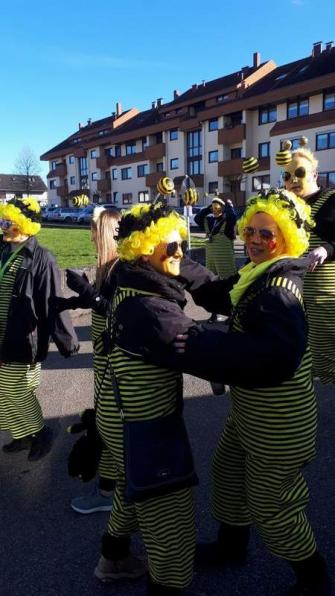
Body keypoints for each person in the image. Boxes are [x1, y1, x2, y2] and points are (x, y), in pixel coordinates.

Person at [115, 191, 331, 595]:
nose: (253, 240)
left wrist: (203, 344)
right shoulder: (258, 272)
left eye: (265, 235)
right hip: (250, 410)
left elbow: (277, 358)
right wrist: (174, 258)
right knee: (228, 473)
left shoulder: (280, 288)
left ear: (286, 238)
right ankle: (232, 546)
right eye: (249, 230)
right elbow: (220, 292)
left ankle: (313, 575)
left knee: (274, 504)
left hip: (278, 421)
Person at [94, 202, 214, 596]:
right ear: (145, 250)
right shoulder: (150, 306)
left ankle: (113, 558)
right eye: (172, 247)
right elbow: (219, 357)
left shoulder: (128, 276)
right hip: (143, 424)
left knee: (135, 488)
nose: (181, 254)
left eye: (183, 245)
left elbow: (187, 271)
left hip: (118, 413)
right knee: (171, 526)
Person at [0, 197, 79, 461]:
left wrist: (67, 340)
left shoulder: (42, 257)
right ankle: (22, 435)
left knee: (16, 389)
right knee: (4, 390)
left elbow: (51, 300)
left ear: (23, 224)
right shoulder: (3, 250)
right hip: (2, 334)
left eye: (7, 221)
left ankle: (41, 432)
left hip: (23, 336)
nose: (2, 226)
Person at [63, 206, 120, 514]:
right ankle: (107, 492)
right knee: (106, 429)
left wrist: (88, 292)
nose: (90, 237)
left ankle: (124, 499)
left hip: (117, 367)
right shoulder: (106, 268)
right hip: (104, 364)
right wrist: (75, 297)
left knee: (113, 432)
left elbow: (117, 312)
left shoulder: (122, 268)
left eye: (93, 231)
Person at [281, 139, 335, 384]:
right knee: (306, 349)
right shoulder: (289, 207)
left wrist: (327, 248)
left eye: (299, 173)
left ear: (314, 173)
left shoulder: (332, 199)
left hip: (327, 292)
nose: (292, 179)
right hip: (297, 292)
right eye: (287, 175)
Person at [194, 196, 237, 323]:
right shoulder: (209, 221)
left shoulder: (227, 222)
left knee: (230, 287)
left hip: (225, 262)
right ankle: (214, 313)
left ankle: (232, 314)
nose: (215, 206)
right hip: (211, 261)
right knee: (213, 287)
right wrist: (208, 208)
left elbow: (233, 217)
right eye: (213, 204)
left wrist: (228, 206)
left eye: (217, 205)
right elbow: (197, 218)